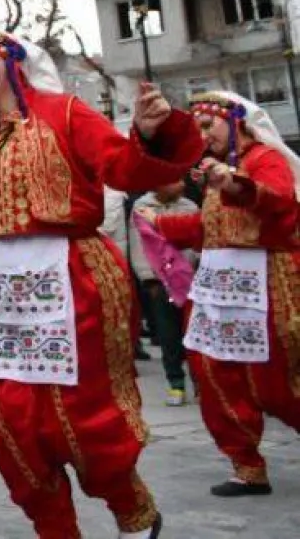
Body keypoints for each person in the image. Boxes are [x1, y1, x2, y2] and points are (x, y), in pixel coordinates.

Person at [0, 30, 201, 539]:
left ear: (12, 59)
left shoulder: (66, 113)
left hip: (72, 281)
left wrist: (150, 135)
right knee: (9, 423)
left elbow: (123, 166)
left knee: (82, 419)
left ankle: (133, 513)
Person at [143, 91, 300, 498]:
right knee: (216, 376)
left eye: (206, 125)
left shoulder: (265, 159)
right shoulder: (219, 170)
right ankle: (247, 467)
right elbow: (211, 227)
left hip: (265, 288)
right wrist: (161, 224)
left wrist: (231, 183)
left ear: (235, 122)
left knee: (277, 380)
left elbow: (278, 201)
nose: (201, 135)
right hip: (219, 292)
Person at [130, 180, 197, 407]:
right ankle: (175, 383)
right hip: (159, 282)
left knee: (193, 336)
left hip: (189, 280)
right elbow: (139, 245)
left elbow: (198, 241)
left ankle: (200, 385)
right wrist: (147, 277)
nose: (181, 184)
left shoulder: (190, 207)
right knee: (168, 335)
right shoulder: (142, 207)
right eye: (173, 180)